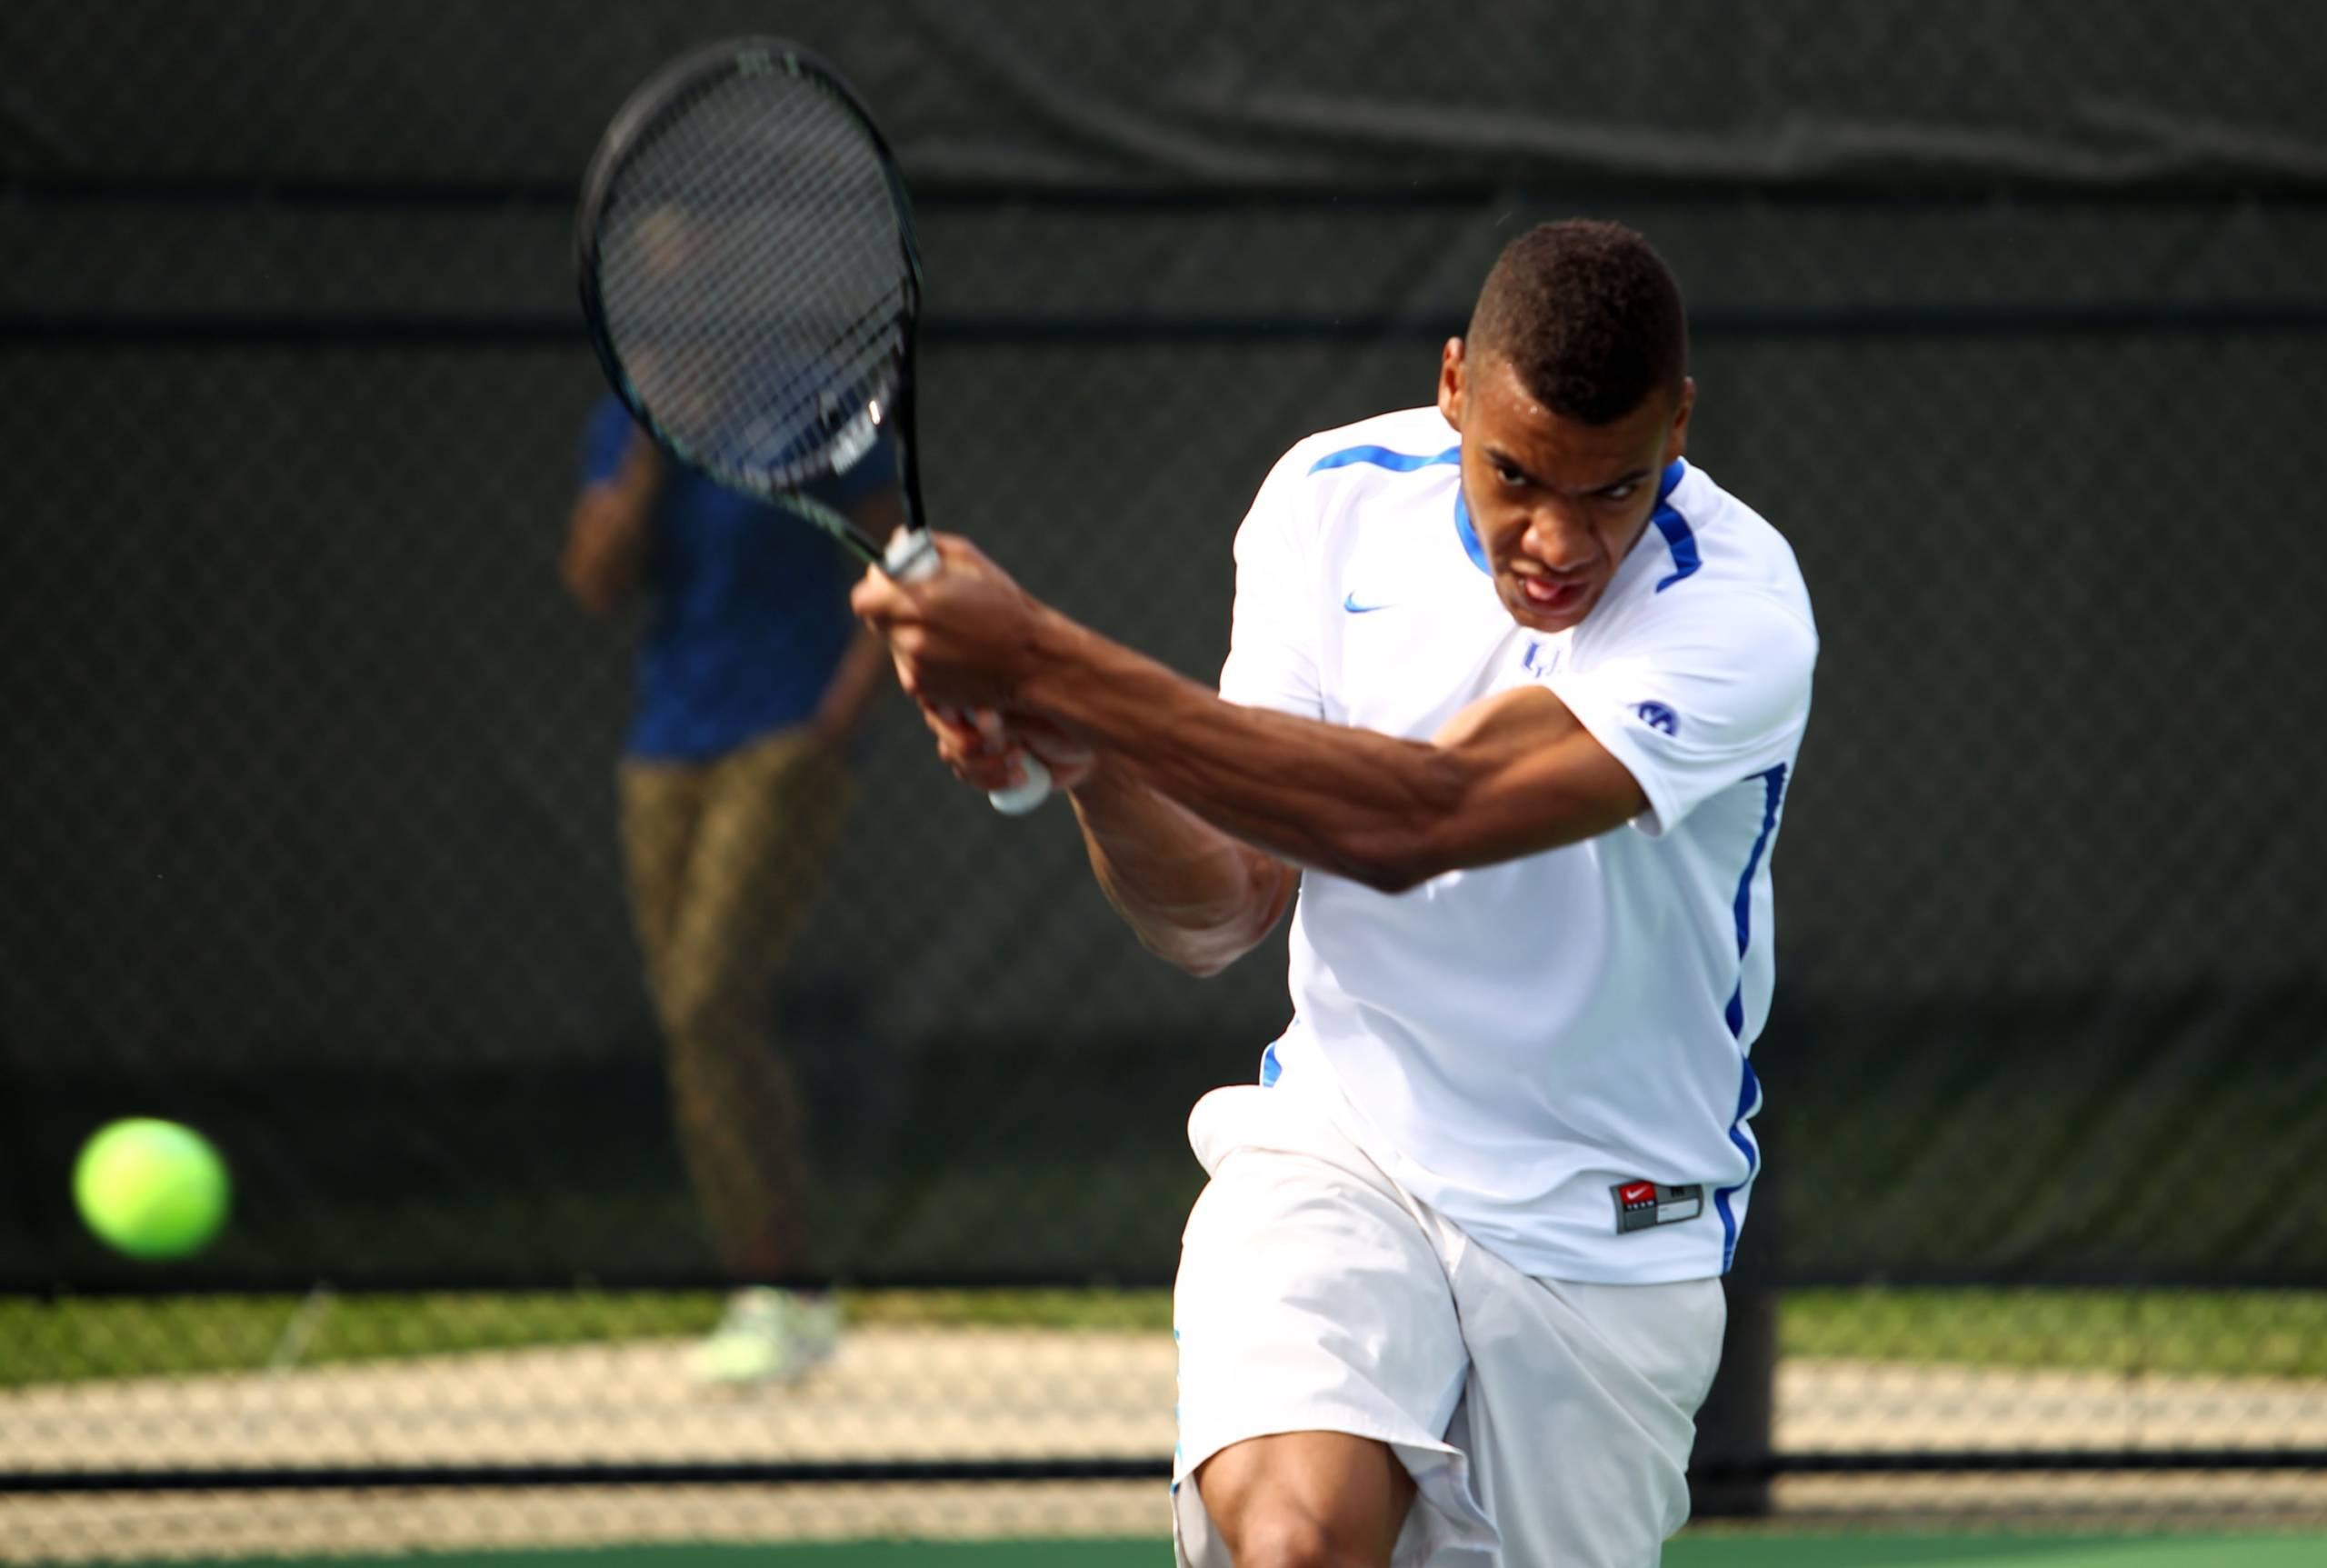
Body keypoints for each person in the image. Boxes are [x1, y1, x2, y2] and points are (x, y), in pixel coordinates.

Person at [853, 219, 1818, 1565]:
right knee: (1296, 1543)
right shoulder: (1331, 500)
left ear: (1682, 430)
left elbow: (1418, 818)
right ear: (1452, 389)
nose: (1557, 537)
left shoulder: (1739, 610)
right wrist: (1097, 763)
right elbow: (1225, 908)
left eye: (1615, 488)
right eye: (1518, 474)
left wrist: (1041, 658)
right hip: (1346, 1144)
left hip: (1606, 1235)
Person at [562, 394, 894, 1385]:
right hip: (663, 749)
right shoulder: (622, 426)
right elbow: (593, 582)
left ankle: (778, 1289)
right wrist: (648, 469)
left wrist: (837, 714)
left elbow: (899, 556)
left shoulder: (816, 409)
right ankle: (777, 1290)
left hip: (786, 739)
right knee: (698, 1022)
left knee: (709, 1000)